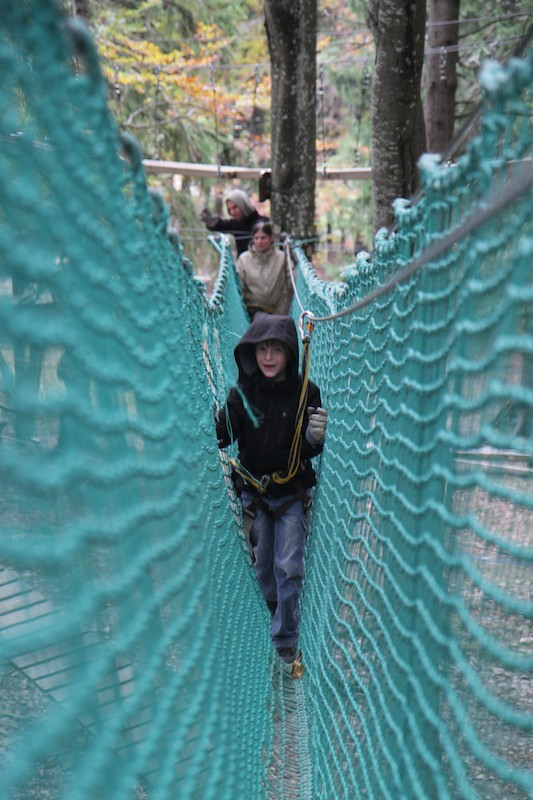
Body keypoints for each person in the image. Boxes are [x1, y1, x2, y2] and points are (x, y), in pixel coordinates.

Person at [215, 313, 328, 674]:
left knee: (289, 566)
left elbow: (307, 449)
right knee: (264, 568)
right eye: (262, 349)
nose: (267, 357)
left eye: (276, 349)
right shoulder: (243, 394)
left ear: (290, 353)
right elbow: (223, 436)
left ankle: (284, 644)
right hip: (254, 494)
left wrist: (313, 437)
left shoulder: (306, 392)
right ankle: (275, 611)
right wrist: (215, 418)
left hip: (291, 494)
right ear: (252, 352)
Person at [236, 221, 294, 320]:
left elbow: (291, 283)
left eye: (263, 238)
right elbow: (238, 286)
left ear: (271, 238)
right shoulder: (244, 259)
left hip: (278, 311)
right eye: (256, 238)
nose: (259, 242)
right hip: (252, 311)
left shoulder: (282, 258)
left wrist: (284, 307)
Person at [200, 188, 269, 256]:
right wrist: (211, 222)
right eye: (229, 209)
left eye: (235, 207)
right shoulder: (236, 224)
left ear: (243, 205)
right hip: (242, 263)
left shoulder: (262, 222)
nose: (232, 212)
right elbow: (220, 225)